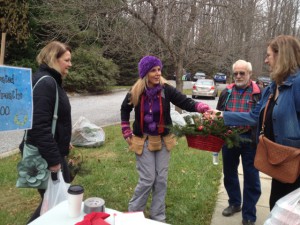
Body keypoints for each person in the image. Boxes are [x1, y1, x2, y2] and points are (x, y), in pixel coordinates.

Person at [211, 35, 300, 211]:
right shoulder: (274, 86)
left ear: (281, 55)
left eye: (268, 55)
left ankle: (249, 214)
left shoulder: (297, 85)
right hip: (281, 161)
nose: (266, 60)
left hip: (295, 161)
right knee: (277, 206)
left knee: (287, 212)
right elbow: (253, 116)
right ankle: (235, 204)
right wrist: (222, 116)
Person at [120, 55, 210, 223]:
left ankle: (158, 217)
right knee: (148, 179)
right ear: (145, 72)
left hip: (163, 140)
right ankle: (133, 214)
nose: (157, 73)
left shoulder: (166, 89)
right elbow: (125, 109)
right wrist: (126, 129)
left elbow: (184, 101)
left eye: (159, 69)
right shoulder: (136, 91)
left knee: (161, 179)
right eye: (153, 70)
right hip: (143, 141)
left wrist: (200, 107)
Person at [19, 41, 73, 223]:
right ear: (54, 59)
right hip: (47, 156)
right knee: (58, 205)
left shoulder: (49, 81)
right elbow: (38, 125)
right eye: (67, 60)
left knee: (56, 202)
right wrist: (54, 161)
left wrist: (64, 139)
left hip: (53, 151)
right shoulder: (47, 84)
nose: (70, 64)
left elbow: (53, 118)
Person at [216, 60, 262, 225]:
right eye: (235, 73)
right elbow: (218, 116)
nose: (238, 76)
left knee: (251, 178)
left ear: (250, 74)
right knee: (229, 173)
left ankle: (249, 215)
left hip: (250, 140)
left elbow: (258, 118)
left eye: (242, 73)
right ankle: (235, 203)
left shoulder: (258, 93)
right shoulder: (226, 92)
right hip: (229, 139)